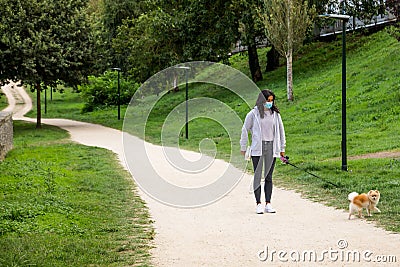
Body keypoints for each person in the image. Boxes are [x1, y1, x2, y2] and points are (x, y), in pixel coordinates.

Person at [240, 89, 286, 214]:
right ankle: (258, 203)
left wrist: (282, 149)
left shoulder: (275, 115)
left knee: (268, 176)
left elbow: (281, 132)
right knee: (257, 175)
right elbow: (245, 130)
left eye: (271, 101)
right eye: (267, 100)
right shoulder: (253, 114)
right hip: (258, 149)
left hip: (272, 147)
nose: (270, 103)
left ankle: (268, 203)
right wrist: (243, 147)